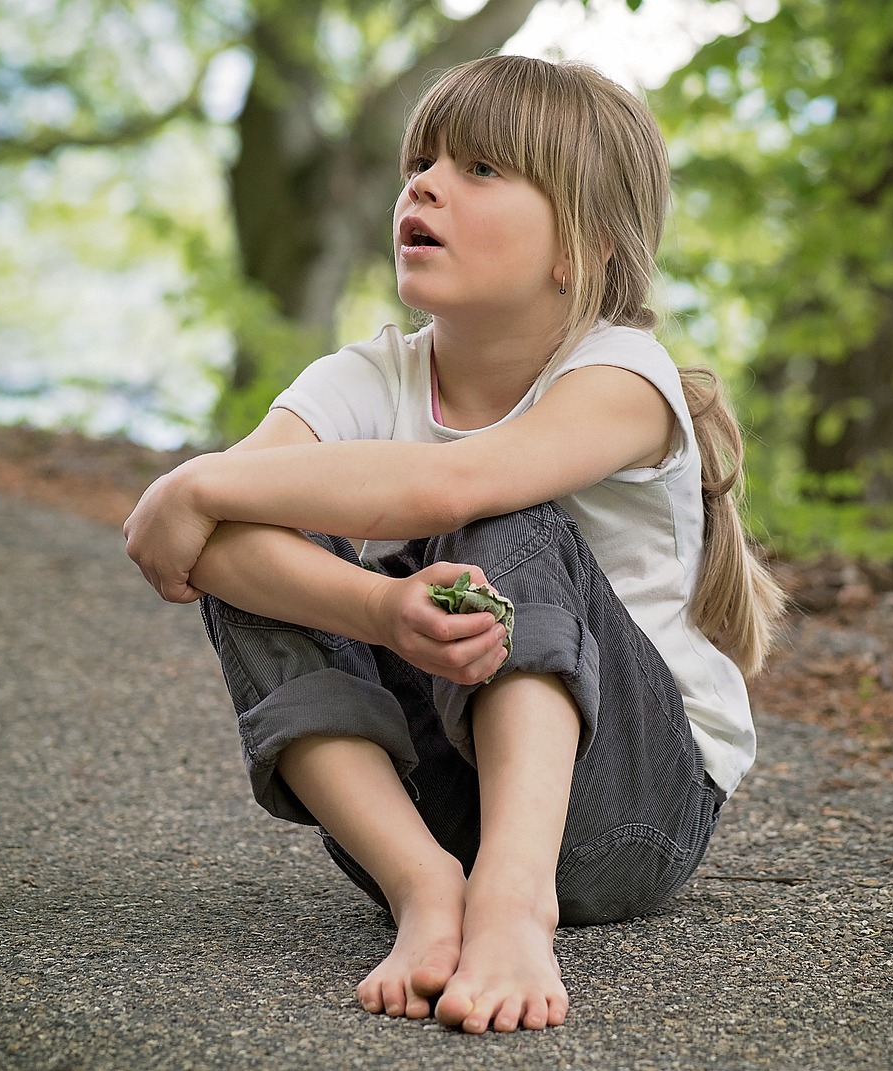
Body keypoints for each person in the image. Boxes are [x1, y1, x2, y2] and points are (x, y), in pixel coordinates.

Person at [123, 54, 785, 1035]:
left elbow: (453, 482)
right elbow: (209, 550)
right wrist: (376, 609)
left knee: (500, 527)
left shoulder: (618, 376)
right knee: (268, 554)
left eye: (480, 169)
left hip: (627, 808)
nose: (424, 183)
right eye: (421, 160)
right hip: (433, 804)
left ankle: (514, 905)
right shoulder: (365, 377)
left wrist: (195, 479)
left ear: (582, 246)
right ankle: (425, 888)